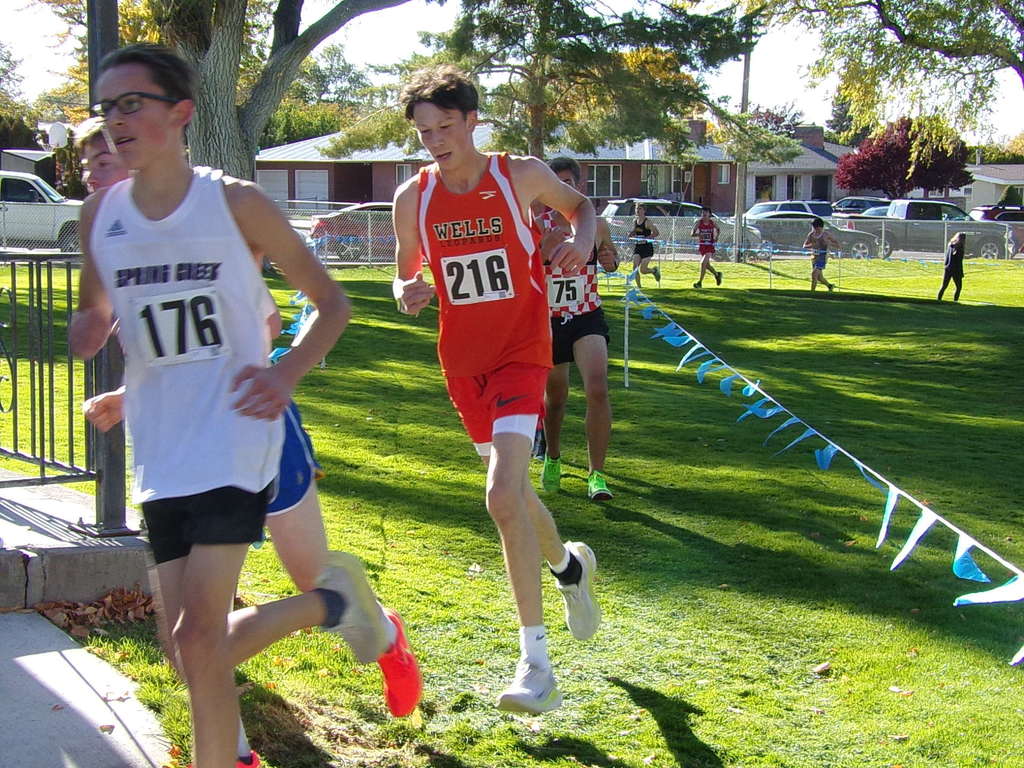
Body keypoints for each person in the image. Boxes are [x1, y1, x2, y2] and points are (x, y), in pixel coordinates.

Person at [69, 44, 416, 768]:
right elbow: (92, 316)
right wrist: (88, 328)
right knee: (188, 650)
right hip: (161, 451)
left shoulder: (234, 203)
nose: (116, 122)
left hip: (235, 435)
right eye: (107, 108)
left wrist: (286, 375)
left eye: (132, 103)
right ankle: (335, 606)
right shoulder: (103, 215)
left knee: (200, 639)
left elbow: (331, 303)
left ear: (180, 112)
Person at [392, 65, 601, 714]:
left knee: (500, 496)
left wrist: (579, 243)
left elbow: (582, 209)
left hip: (521, 355)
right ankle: (569, 570)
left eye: (446, 126)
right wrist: (408, 291)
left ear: (473, 120)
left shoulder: (520, 175)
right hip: (463, 365)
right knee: (515, 494)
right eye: (425, 131)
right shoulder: (414, 199)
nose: (435, 140)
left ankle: (535, 665)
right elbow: (402, 277)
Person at [536, 156, 616, 501]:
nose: (561, 191)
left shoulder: (594, 225)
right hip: (549, 320)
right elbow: (521, 278)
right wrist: (542, 251)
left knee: (597, 388)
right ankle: (552, 457)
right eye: (554, 185)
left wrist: (611, 259)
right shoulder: (534, 224)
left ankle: (596, 474)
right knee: (556, 399)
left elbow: (609, 256)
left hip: (586, 316)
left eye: (567, 184)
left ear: (578, 187)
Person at [691, 206, 722, 288]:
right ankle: (717, 274)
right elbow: (692, 234)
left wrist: (716, 237)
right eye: (702, 213)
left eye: (706, 213)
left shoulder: (712, 223)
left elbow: (718, 229)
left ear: (709, 214)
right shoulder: (699, 222)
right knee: (707, 265)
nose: (704, 214)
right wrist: (698, 234)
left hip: (710, 246)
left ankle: (699, 283)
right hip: (702, 246)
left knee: (702, 263)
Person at [803, 217, 838, 292]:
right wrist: (812, 245)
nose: (816, 230)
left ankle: (812, 293)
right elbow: (805, 245)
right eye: (814, 228)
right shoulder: (811, 235)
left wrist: (829, 243)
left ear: (821, 227)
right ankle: (830, 286)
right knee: (819, 277)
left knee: (814, 274)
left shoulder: (826, 235)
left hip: (822, 257)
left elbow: (837, 245)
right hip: (814, 257)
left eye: (817, 228)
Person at [630, 204, 660, 287]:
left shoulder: (647, 222)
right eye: (636, 209)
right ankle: (639, 287)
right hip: (638, 247)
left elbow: (656, 233)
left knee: (643, 270)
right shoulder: (635, 221)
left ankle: (654, 271)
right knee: (635, 268)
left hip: (647, 248)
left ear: (644, 211)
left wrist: (646, 238)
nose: (637, 211)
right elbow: (635, 231)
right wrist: (631, 234)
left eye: (640, 209)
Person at [937, 232, 965, 301]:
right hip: (956, 270)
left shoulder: (950, 245)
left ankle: (938, 300)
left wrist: (946, 265)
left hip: (948, 268)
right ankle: (955, 301)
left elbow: (948, 257)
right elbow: (958, 261)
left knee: (944, 286)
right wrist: (961, 272)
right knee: (959, 287)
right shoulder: (959, 247)